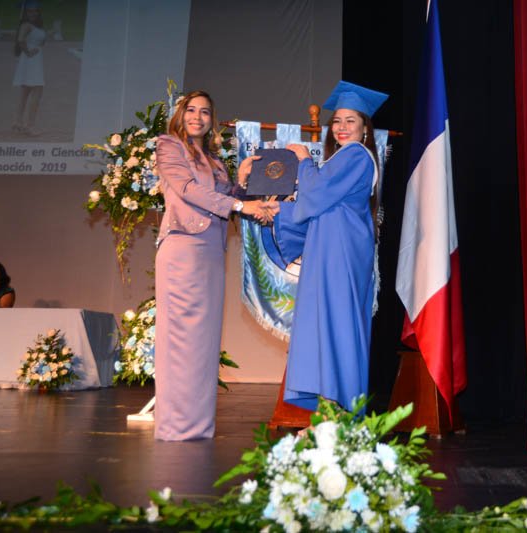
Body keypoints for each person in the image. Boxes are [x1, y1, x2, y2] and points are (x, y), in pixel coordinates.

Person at [154, 90, 278, 441]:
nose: (198, 117)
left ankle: (196, 425)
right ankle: (176, 426)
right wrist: (241, 207)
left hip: (210, 252)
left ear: (211, 119)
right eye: (191, 110)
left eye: (205, 112)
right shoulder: (169, 146)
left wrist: (242, 182)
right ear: (180, 114)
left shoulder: (213, 159)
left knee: (203, 342)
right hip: (183, 249)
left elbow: (226, 199)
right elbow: (188, 190)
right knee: (180, 339)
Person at [268, 80, 388, 412]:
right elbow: (319, 205)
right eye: (337, 121)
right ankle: (329, 409)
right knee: (328, 327)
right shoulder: (343, 158)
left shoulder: (356, 155)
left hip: (341, 254)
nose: (342, 127)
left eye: (351, 121)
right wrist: (276, 210)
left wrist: (305, 160)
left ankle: (342, 413)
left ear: (365, 128)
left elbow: (317, 193)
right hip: (332, 250)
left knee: (339, 326)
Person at [12, 0, 45, 136]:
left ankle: (18, 123)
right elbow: (20, 40)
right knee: (37, 91)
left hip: (33, 60)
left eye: (35, 11)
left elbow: (38, 41)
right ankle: (29, 126)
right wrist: (28, 52)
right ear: (25, 13)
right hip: (31, 61)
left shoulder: (34, 26)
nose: (33, 13)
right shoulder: (26, 25)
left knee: (25, 92)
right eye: (30, 11)